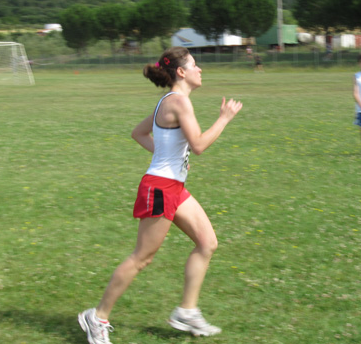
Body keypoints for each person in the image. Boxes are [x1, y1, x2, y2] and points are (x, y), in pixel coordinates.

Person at [78, 47, 243, 344]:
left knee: (207, 243)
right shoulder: (179, 102)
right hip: (160, 188)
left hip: (173, 186)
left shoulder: (167, 102)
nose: (200, 69)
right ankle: (98, 317)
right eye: (195, 65)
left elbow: (138, 133)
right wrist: (224, 118)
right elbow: (200, 145)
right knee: (143, 257)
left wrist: (168, 155)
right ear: (181, 72)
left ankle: (187, 311)